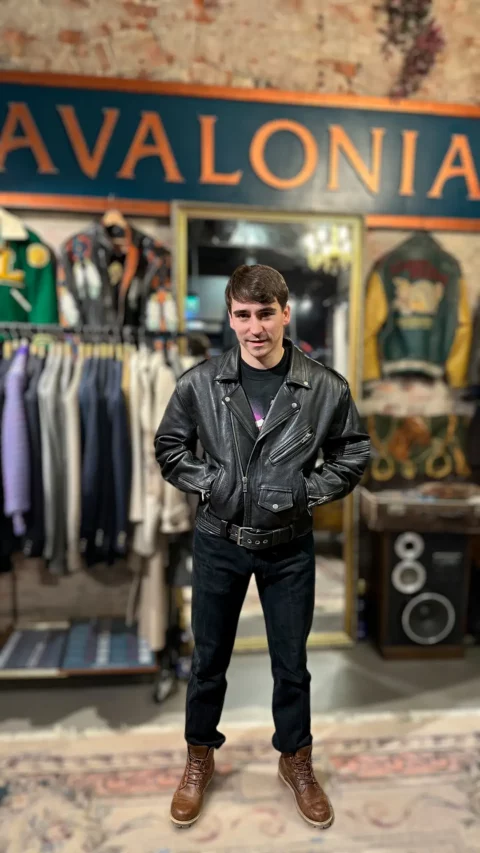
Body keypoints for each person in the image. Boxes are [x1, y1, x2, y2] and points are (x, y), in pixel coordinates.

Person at [154, 265, 370, 830]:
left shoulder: (324, 386)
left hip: (288, 544)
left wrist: (305, 491)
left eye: (266, 314)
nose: (255, 328)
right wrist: (215, 483)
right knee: (207, 661)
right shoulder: (200, 383)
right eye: (244, 315)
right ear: (230, 317)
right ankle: (199, 756)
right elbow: (170, 447)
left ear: (285, 313)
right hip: (218, 541)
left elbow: (353, 452)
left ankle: (295, 759)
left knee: (291, 664)